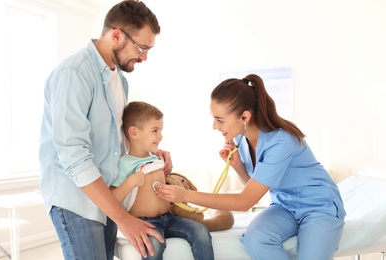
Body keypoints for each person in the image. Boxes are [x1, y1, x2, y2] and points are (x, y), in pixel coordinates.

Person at [156, 74, 346, 260]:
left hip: (319, 207)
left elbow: (245, 201)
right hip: (285, 206)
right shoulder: (242, 138)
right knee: (256, 239)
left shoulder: (281, 142)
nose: (215, 126)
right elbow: (257, 188)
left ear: (245, 117)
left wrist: (185, 195)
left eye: (220, 120)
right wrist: (238, 166)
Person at [39, 1, 172, 259]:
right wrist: (123, 217)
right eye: (142, 48)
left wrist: (151, 151)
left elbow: (115, 144)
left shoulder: (119, 81)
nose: (144, 57)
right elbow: (74, 155)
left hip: (109, 195)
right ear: (117, 35)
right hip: (77, 200)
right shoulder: (74, 74)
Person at [110, 101, 214, 260]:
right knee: (153, 246)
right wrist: (131, 181)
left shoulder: (156, 158)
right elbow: (113, 199)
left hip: (169, 217)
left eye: (160, 130)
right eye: (155, 131)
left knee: (200, 231)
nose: (160, 136)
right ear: (134, 133)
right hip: (145, 222)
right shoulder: (124, 164)